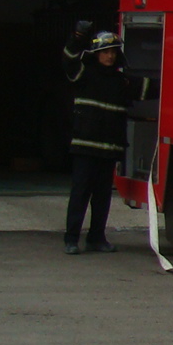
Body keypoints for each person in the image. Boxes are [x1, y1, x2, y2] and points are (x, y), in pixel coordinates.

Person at [62, 22, 143, 255]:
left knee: (102, 198)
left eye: (113, 52)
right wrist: (78, 36)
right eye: (105, 52)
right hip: (86, 149)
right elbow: (69, 59)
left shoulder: (121, 81)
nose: (110, 56)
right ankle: (71, 239)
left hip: (108, 151)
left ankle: (96, 238)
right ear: (96, 54)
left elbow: (149, 88)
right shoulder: (84, 74)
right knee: (80, 195)